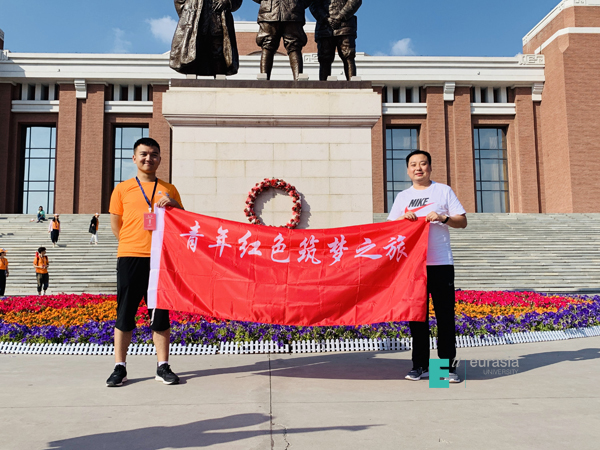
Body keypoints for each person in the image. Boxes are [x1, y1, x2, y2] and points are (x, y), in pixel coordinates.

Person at [107, 137, 184, 388]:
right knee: (125, 313)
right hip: (130, 257)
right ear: (134, 158)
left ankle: (163, 366)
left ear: (160, 159)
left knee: (160, 313)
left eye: (153, 154)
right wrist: (133, 245)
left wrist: (174, 205)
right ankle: (120, 367)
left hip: (161, 259)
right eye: (143, 154)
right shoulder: (122, 189)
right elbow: (116, 225)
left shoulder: (169, 189)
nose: (148, 158)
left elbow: (182, 221)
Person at [387, 150, 467, 383]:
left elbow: (462, 221)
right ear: (408, 170)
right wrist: (404, 219)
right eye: (413, 164)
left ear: (430, 167)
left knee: (445, 317)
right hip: (413, 266)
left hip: (440, 263)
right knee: (417, 317)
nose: (418, 168)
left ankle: (445, 370)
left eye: (422, 164)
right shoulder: (403, 196)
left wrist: (443, 218)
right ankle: (419, 366)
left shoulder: (443, 191)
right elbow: (390, 228)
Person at [170, 0, 243, 76]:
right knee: (194, 46)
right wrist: (188, 13)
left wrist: (226, 2)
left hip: (217, 15)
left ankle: (220, 76)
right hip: (197, 16)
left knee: (218, 47)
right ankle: (191, 77)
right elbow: (179, 2)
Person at [253, 0, 311, 80]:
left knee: (294, 45)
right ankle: (264, 77)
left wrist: (298, 3)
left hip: (291, 13)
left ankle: (298, 78)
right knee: (268, 45)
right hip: (270, 12)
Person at [309, 0, 362, 81]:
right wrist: (325, 18)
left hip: (345, 26)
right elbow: (314, 4)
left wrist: (340, 16)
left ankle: (352, 83)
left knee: (348, 56)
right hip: (324, 27)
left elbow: (355, 1)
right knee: (324, 58)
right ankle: (323, 85)